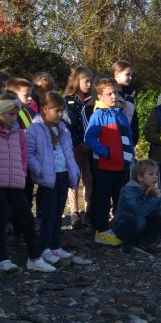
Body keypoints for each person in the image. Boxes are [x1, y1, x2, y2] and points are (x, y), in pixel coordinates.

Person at [0, 93, 55, 273]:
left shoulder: (18, 133)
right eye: (10, 114)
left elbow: (24, 156)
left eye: (16, 114)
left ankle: (34, 258)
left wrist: (21, 171)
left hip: (16, 183)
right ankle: (3, 259)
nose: (14, 117)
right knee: (0, 220)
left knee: (27, 218)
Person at [26, 91, 80, 265]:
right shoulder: (35, 128)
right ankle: (44, 247)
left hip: (62, 174)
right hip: (47, 177)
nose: (59, 114)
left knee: (58, 212)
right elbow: (28, 153)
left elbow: (68, 152)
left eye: (61, 110)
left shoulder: (62, 127)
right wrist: (39, 170)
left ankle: (55, 245)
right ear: (44, 110)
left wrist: (73, 171)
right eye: (56, 110)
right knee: (48, 214)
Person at [84, 76, 135, 246]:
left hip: (122, 165)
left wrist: (129, 155)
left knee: (120, 198)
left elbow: (128, 137)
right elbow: (89, 138)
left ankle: (117, 229)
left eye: (115, 92)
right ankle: (101, 231)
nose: (114, 96)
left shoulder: (120, 114)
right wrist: (105, 152)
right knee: (103, 198)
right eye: (110, 93)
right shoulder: (98, 115)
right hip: (104, 165)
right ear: (100, 96)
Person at [111, 158, 161, 256]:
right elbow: (140, 211)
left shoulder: (150, 189)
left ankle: (142, 244)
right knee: (140, 220)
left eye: (156, 174)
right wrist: (154, 198)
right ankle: (126, 246)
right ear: (140, 177)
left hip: (141, 224)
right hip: (122, 227)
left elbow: (160, 212)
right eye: (151, 174)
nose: (155, 177)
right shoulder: (128, 190)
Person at [64, 66, 94, 229]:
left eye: (91, 81)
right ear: (76, 81)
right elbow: (67, 125)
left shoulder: (93, 100)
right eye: (86, 81)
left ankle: (88, 211)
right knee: (73, 179)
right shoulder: (68, 100)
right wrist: (77, 144)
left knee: (89, 179)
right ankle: (74, 213)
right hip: (74, 146)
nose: (89, 84)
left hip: (90, 147)